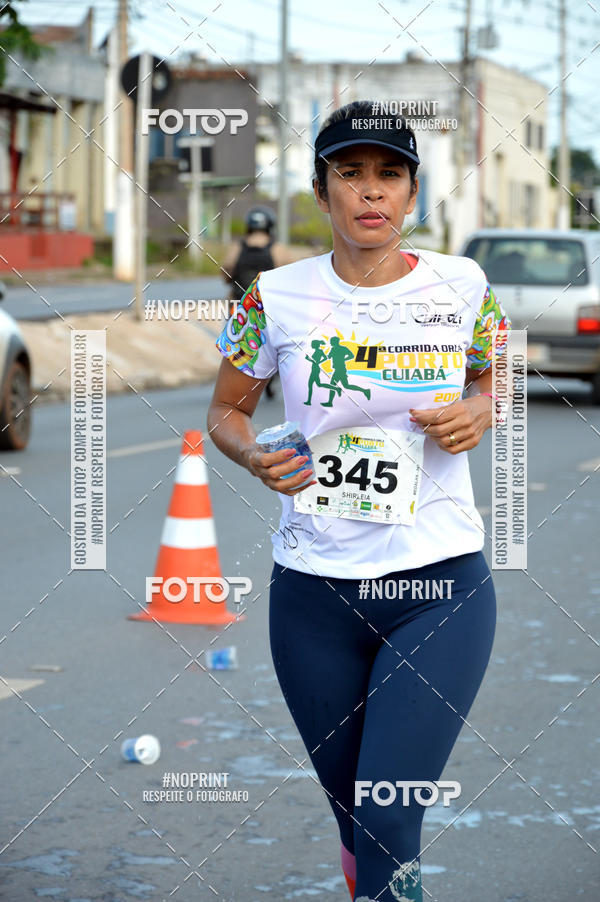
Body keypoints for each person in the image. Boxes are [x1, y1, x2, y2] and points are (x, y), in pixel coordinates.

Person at [208, 100, 510, 902]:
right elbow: (226, 411)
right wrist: (253, 454)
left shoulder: (463, 286)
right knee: (354, 819)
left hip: (438, 587)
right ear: (321, 191)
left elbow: (493, 374)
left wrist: (481, 408)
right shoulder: (272, 296)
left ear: (412, 192)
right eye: (350, 173)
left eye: (390, 174)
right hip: (313, 595)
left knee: (387, 815)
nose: (371, 191)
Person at [222, 205, 294, 398]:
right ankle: (270, 376)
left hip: (240, 305)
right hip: (269, 306)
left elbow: (226, 272)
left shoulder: (237, 247)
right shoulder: (278, 249)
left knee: (235, 344)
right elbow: (289, 277)